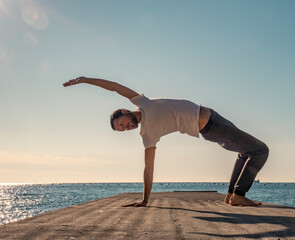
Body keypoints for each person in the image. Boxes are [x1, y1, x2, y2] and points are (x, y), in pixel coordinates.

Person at [63, 77, 269, 207]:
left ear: (125, 111)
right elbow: (148, 169)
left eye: (123, 124)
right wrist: (145, 200)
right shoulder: (147, 135)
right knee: (260, 150)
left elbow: (115, 87)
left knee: (245, 152)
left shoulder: (141, 102)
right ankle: (239, 195)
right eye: (122, 130)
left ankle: (232, 195)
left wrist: (84, 80)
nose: (126, 128)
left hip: (212, 119)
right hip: (211, 126)